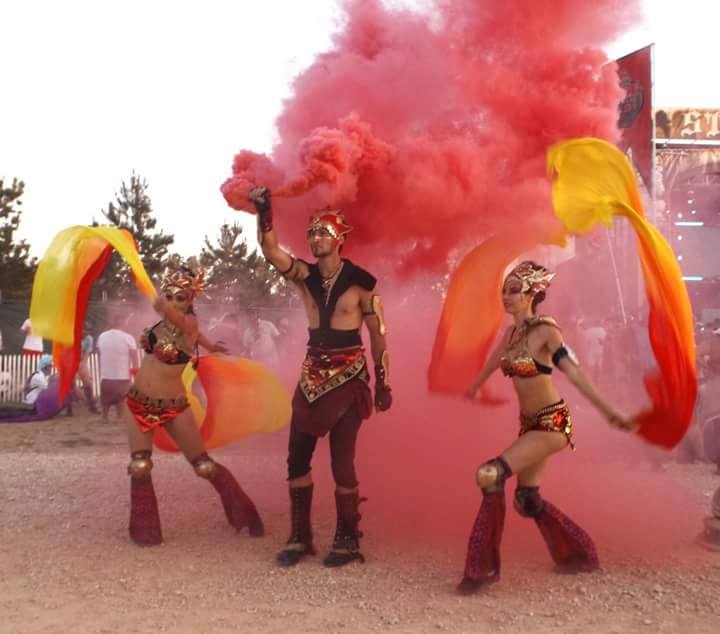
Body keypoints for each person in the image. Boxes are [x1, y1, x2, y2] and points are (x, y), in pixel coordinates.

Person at [459, 261, 634, 594]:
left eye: (514, 291)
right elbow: (495, 361)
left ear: (532, 295)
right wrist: (474, 386)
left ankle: (480, 571)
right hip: (529, 425)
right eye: (504, 290)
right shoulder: (511, 334)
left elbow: (575, 372)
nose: (506, 296)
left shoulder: (547, 330)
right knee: (527, 501)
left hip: (552, 424)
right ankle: (579, 554)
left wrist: (608, 410)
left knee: (490, 474)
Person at [249, 186, 392, 567]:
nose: (315, 238)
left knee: (342, 462)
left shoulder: (363, 283)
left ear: (339, 238)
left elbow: (379, 335)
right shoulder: (303, 275)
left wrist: (382, 381)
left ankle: (347, 539)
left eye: (322, 232)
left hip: (350, 377)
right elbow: (271, 252)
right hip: (312, 375)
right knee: (297, 457)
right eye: (311, 233)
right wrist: (265, 211)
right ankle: (300, 537)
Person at [123, 265, 264, 546]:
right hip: (138, 403)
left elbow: (185, 326)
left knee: (203, 467)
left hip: (174, 407)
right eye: (171, 296)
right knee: (140, 465)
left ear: (190, 302)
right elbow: (191, 336)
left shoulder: (187, 323)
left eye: (182, 298)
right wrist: (211, 346)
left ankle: (244, 513)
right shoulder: (161, 326)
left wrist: (166, 308)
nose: (175, 302)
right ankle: (145, 532)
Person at [97, 320, 139, 423]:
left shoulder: (102, 336)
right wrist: (136, 371)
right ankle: (119, 417)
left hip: (106, 374)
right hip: (122, 374)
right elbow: (134, 356)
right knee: (121, 399)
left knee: (105, 399)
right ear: (123, 324)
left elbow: (99, 352)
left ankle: (104, 418)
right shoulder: (128, 337)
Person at [77, 330, 100, 414]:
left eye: (88, 332)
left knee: (88, 382)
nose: (87, 334)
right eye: (85, 332)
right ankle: (87, 402)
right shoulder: (72, 336)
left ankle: (92, 405)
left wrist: (82, 364)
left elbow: (86, 354)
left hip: (81, 360)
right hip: (70, 360)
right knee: (72, 385)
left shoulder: (89, 338)